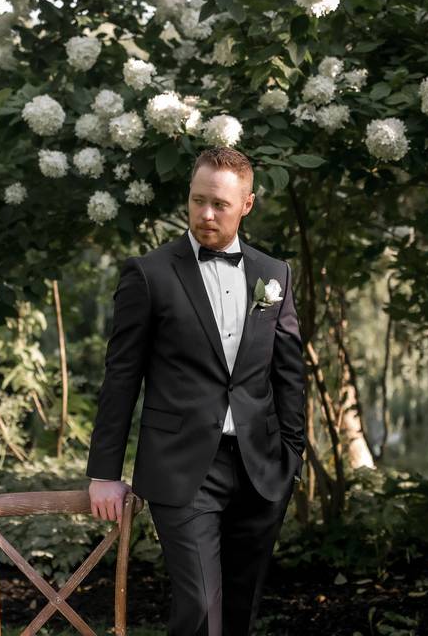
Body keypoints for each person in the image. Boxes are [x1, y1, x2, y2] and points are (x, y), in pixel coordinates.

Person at [86, 146, 306, 636]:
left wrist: (293, 453)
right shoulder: (148, 274)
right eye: (197, 200)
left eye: (220, 204)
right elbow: (121, 376)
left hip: (261, 467)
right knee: (201, 608)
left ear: (246, 205)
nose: (206, 214)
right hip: (182, 466)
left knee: (239, 611)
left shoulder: (274, 275)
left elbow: (290, 373)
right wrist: (104, 472)